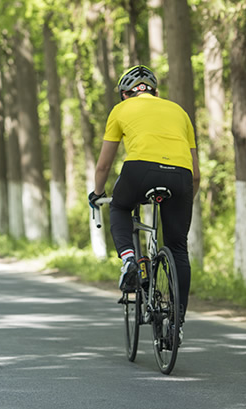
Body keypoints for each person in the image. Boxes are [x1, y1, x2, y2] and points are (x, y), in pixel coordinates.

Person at [88, 65, 200, 333]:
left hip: (139, 171)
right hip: (181, 177)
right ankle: (177, 321)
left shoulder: (120, 110)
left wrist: (97, 193)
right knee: (178, 248)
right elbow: (196, 175)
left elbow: (103, 166)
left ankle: (128, 259)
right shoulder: (180, 112)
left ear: (125, 95)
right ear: (156, 92)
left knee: (120, 207)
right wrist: (184, 199)